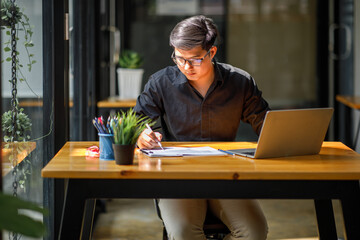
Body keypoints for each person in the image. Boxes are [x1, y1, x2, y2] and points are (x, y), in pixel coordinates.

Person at [134, 15, 269, 240]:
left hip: (225, 176)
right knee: (183, 232)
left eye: (195, 59)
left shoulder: (240, 82)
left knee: (254, 232)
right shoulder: (160, 83)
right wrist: (142, 135)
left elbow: (266, 124)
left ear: (212, 52)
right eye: (179, 58)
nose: (186, 66)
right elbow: (138, 121)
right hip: (177, 177)